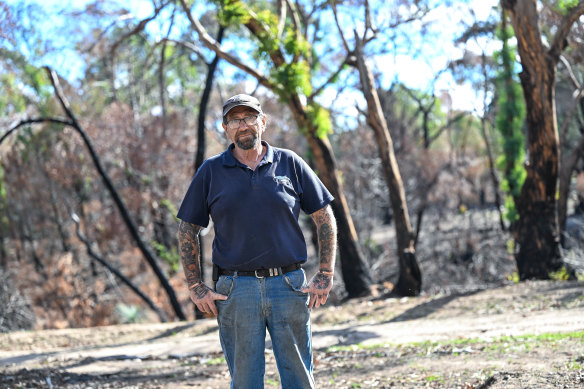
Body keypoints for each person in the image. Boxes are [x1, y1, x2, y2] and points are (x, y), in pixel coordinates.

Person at [176, 94, 337, 388]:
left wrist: (325, 272)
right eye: (235, 120)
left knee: (300, 379)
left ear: (263, 122)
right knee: (245, 382)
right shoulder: (211, 171)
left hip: (288, 285)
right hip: (236, 291)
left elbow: (324, 215)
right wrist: (195, 285)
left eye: (249, 117)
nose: (243, 125)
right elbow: (188, 228)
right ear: (225, 128)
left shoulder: (289, 163)